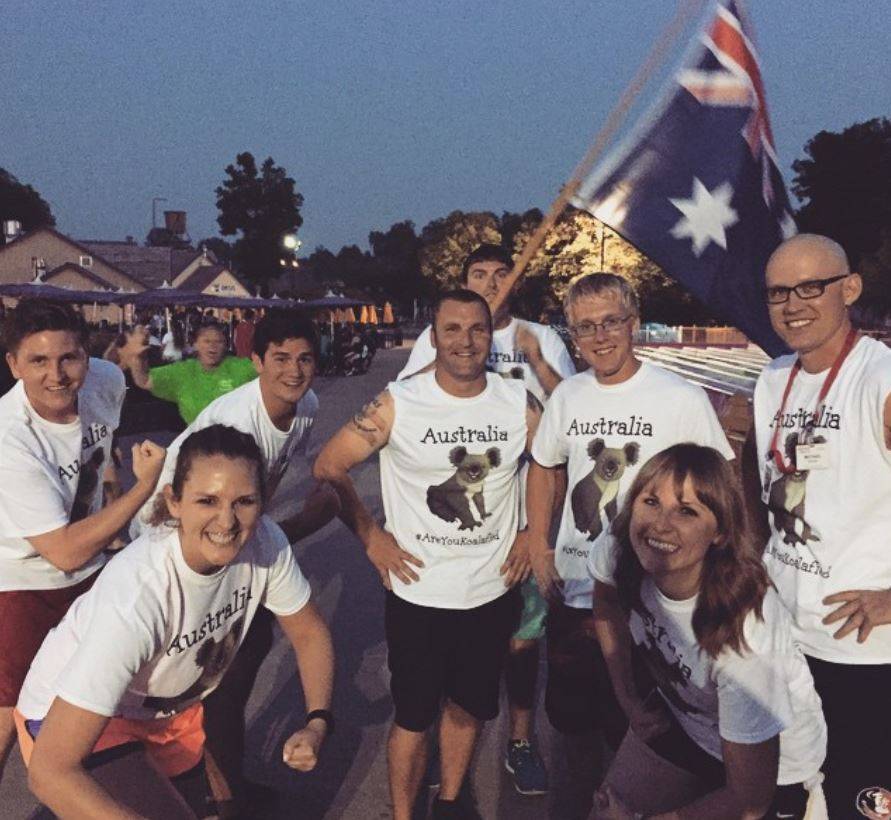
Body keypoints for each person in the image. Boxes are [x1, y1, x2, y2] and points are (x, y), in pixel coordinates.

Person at [15, 424, 334, 819]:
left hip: (165, 714)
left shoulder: (265, 543)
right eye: (207, 501)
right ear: (174, 501)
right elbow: (50, 772)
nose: (226, 521)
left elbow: (308, 631)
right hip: (74, 713)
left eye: (244, 501)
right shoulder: (140, 595)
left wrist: (317, 722)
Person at [314, 290, 541, 820]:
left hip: (490, 589)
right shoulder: (400, 401)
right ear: (433, 336)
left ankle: (451, 799)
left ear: (492, 334)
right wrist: (371, 537)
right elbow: (329, 466)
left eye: (477, 329)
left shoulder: (516, 401)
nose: (466, 341)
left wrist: (534, 531)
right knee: (414, 717)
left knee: (469, 708)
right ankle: (402, 814)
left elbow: (552, 462)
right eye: (453, 329)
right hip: (419, 591)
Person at [526, 273, 733, 816]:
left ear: (633, 322)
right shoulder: (568, 395)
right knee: (571, 726)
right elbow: (544, 467)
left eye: (611, 321)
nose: (600, 337)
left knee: (645, 731)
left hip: (652, 603)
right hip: (577, 594)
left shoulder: (681, 398)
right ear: (572, 335)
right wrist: (536, 542)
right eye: (586, 327)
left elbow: (721, 489)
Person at [130, 311, 339, 816]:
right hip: (174, 532)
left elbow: (256, 510)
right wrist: (307, 523)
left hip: (231, 533)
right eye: (281, 359)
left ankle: (222, 780)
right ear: (255, 362)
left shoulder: (304, 405)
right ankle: (210, 793)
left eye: (304, 359)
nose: (294, 370)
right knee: (210, 673)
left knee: (240, 659)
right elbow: (219, 523)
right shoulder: (238, 422)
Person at [399, 243, 576, 794]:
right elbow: (405, 400)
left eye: (502, 274)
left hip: (523, 521)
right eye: (480, 274)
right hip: (461, 534)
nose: (493, 282)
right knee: (451, 655)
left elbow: (570, 415)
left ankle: (521, 741)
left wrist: (536, 532)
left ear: (515, 281)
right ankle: (431, 745)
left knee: (522, 645)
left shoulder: (537, 338)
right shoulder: (445, 336)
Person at [590, 444, 826, 820]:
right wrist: (628, 698)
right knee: (606, 809)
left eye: (686, 511)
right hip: (689, 721)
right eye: (651, 502)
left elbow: (749, 802)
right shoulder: (622, 547)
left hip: (775, 766)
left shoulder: (742, 636)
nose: (660, 524)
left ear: (719, 532)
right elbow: (605, 607)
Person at [747, 233, 891, 815]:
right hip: (783, 638)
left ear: (849, 289)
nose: (793, 304)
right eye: (779, 292)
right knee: (787, 799)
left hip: (863, 653)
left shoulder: (879, 381)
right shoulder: (772, 380)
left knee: (860, 802)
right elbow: (759, 496)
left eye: (811, 287)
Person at [0, 300, 165, 780]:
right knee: (8, 711)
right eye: (38, 361)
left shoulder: (107, 381)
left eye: (68, 358)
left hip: (89, 568)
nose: (57, 375)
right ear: (13, 364)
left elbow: (101, 448)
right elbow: (63, 551)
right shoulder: (10, 439)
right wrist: (142, 490)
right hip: (22, 579)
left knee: (105, 699)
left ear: (87, 357)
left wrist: (112, 492)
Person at [126, 320, 257, 425]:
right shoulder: (183, 371)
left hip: (237, 447)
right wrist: (137, 357)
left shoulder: (241, 367)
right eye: (206, 341)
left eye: (219, 341)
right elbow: (144, 380)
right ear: (195, 344)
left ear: (225, 345)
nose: (213, 346)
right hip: (197, 448)